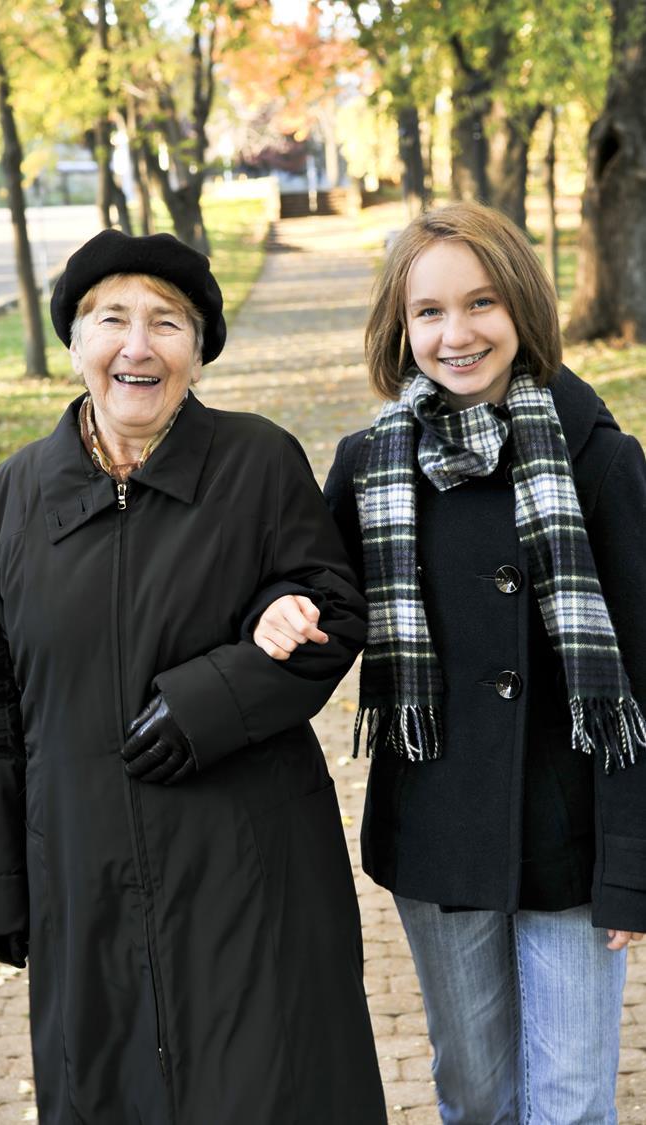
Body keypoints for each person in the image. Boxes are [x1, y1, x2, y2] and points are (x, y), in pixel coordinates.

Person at [0, 230, 388, 1125]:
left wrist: (206, 702)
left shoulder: (258, 462)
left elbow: (329, 610)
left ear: (198, 348)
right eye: (112, 319)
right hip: (81, 877)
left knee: (267, 1091)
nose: (137, 346)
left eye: (168, 323)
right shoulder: (16, 492)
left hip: (249, 875)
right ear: (76, 341)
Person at [253, 201, 646, 1123]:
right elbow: (318, 599)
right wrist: (276, 609)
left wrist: (632, 861)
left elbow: (637, 677)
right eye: (428, 311)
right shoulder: (367, 464)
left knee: (570, 1100)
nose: (456, 333)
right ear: (399, 326)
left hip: (574, 837)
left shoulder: (598, 458)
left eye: (480, 304)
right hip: (438, 830)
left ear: (522, 310)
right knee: (473, 1096)